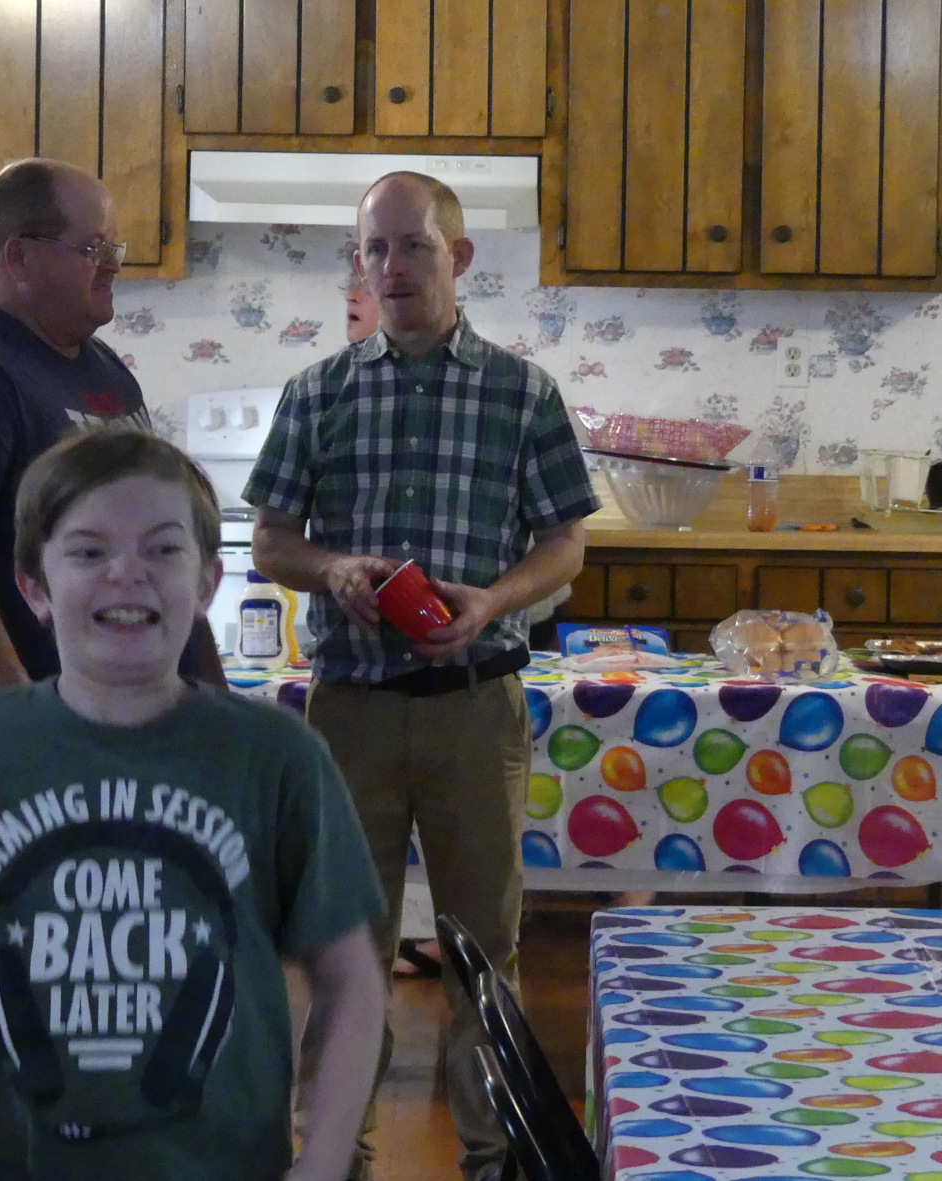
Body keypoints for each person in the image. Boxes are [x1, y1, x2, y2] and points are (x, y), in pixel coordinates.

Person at [0, 429, 388, 1181]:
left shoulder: (281, 759)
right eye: (88, 552)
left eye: (163, 549)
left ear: (208, 583)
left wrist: (322, 1163)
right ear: (35, 588)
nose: (127, 574)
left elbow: (351, 981)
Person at [246, 172, 600, 1181]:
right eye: (376, 249)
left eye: (414, 246)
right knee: (342, 945)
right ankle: (335, 1156)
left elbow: (565, 543)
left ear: (460, 257)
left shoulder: (523, 392)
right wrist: (330, 570)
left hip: (475, 708)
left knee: (484, 947)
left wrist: (492, 601)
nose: (392, 266)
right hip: (349, 711)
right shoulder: (317, 391)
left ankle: (495, 1155)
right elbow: (271, 540)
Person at [0, 157, 223, 757]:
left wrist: (212, 702)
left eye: (113, 247)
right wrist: (15, 707)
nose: (114, 263)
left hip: (88, 728)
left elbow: (164, 544)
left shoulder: (103, 370)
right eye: (94, 247)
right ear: (20, 257)